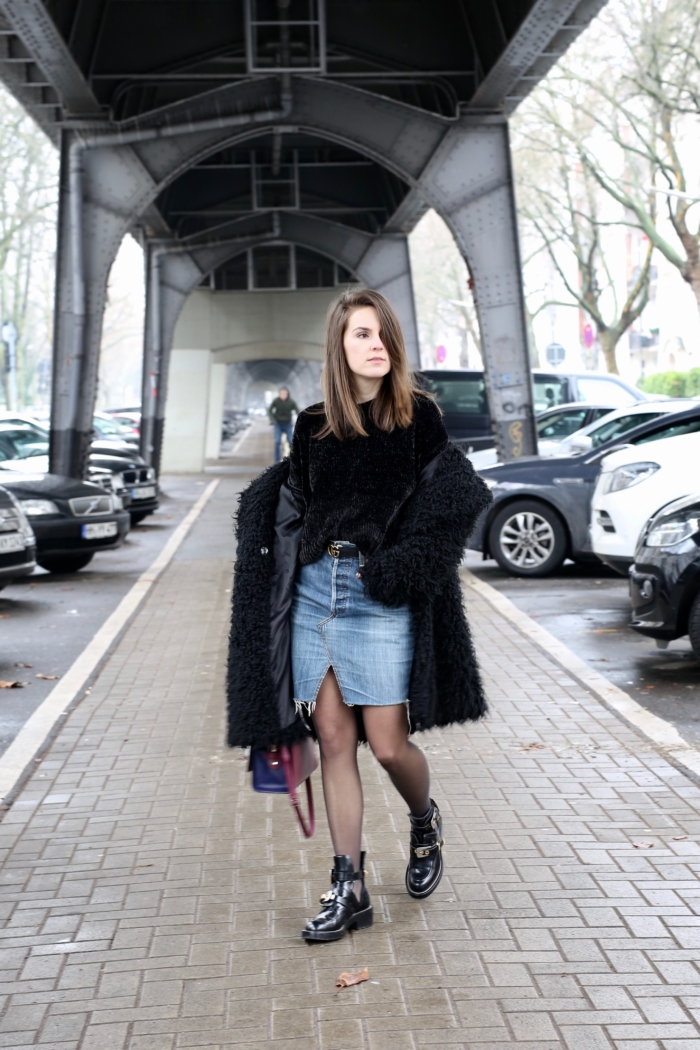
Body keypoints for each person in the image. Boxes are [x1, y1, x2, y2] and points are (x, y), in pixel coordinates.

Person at [227, 289, 492, 943]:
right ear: (339, 348)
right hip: (318, 592)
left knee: (387, 744)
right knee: (336, 743)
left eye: (383, 334)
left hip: (379, 597)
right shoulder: (314, 425)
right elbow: (296, 508)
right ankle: (349, 887)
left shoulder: (418, 418)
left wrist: (401, 567)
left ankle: (424, 819)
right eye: (361, 334)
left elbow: (458, 495)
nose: (375, 344)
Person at [268, 386, 299, 462]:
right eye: (281, 394)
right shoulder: (276, 401)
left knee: (291, 441)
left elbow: (298, 411)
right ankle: (277, 460)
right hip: (278, 424)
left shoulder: (291, 402)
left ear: (287, 394)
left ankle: (292, 459)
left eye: (284, 394)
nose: (283, 395)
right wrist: (272, 419)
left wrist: (300, 420)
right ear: (279, 394)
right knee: (277, 441)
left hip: (288, 424)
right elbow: (269, 410)